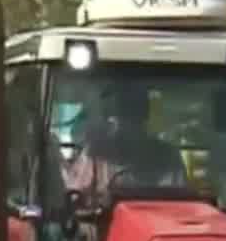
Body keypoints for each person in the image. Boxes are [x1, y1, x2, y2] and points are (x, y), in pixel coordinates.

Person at [56, 85, 186, 205]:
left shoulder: (167, 157)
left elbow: (179, 201)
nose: (119, 126)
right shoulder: (95, 154)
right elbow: (74, 197)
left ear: (142, 120)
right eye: (115, 119)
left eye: (130, 119)